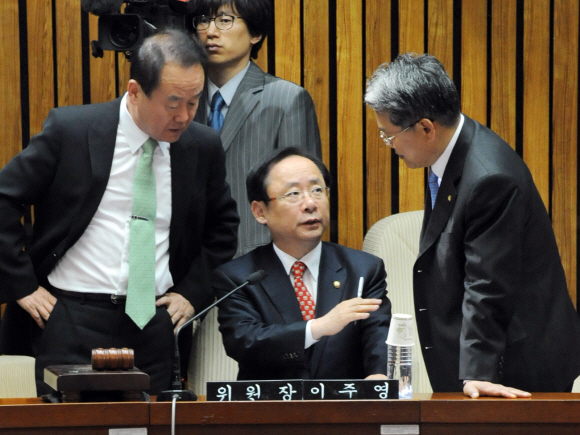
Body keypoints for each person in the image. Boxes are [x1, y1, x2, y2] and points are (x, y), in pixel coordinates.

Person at [0, 29, 239, 395]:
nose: (184, 116)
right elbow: (4, 196)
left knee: (148, 425)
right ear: (134, 91)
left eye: (194, 102)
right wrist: (23, 285)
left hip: (153, 325)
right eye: (173, 102)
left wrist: (192, 293)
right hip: (69, 317)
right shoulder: (73, 131)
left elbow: (223, 229)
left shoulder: (201, 146)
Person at [364, 52, 580, 398]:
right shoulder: (446, 152)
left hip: (518, 366)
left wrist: (477, 372)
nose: (389, 146)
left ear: (425, 128)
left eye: (388, 136)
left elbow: (488, 284)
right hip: (492, 353)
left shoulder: (489, 179)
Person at [211, 147, 391, 381]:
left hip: (346, 409)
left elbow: (380, 337)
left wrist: (379, 375)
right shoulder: (237, 277)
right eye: (293, 194)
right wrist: (317, 327)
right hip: (271, 410)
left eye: (317, 190)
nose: (310, 204)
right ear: (260, 211)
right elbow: (245, 342)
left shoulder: (363, 269)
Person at [188, 0, 321, 257]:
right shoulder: (183, 100)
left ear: (256, 33)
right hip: (191, 265)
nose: (211, 31)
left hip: (257, 262)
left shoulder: (286, 99)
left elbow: (303, 195)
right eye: (203, 20)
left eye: (225, 20)